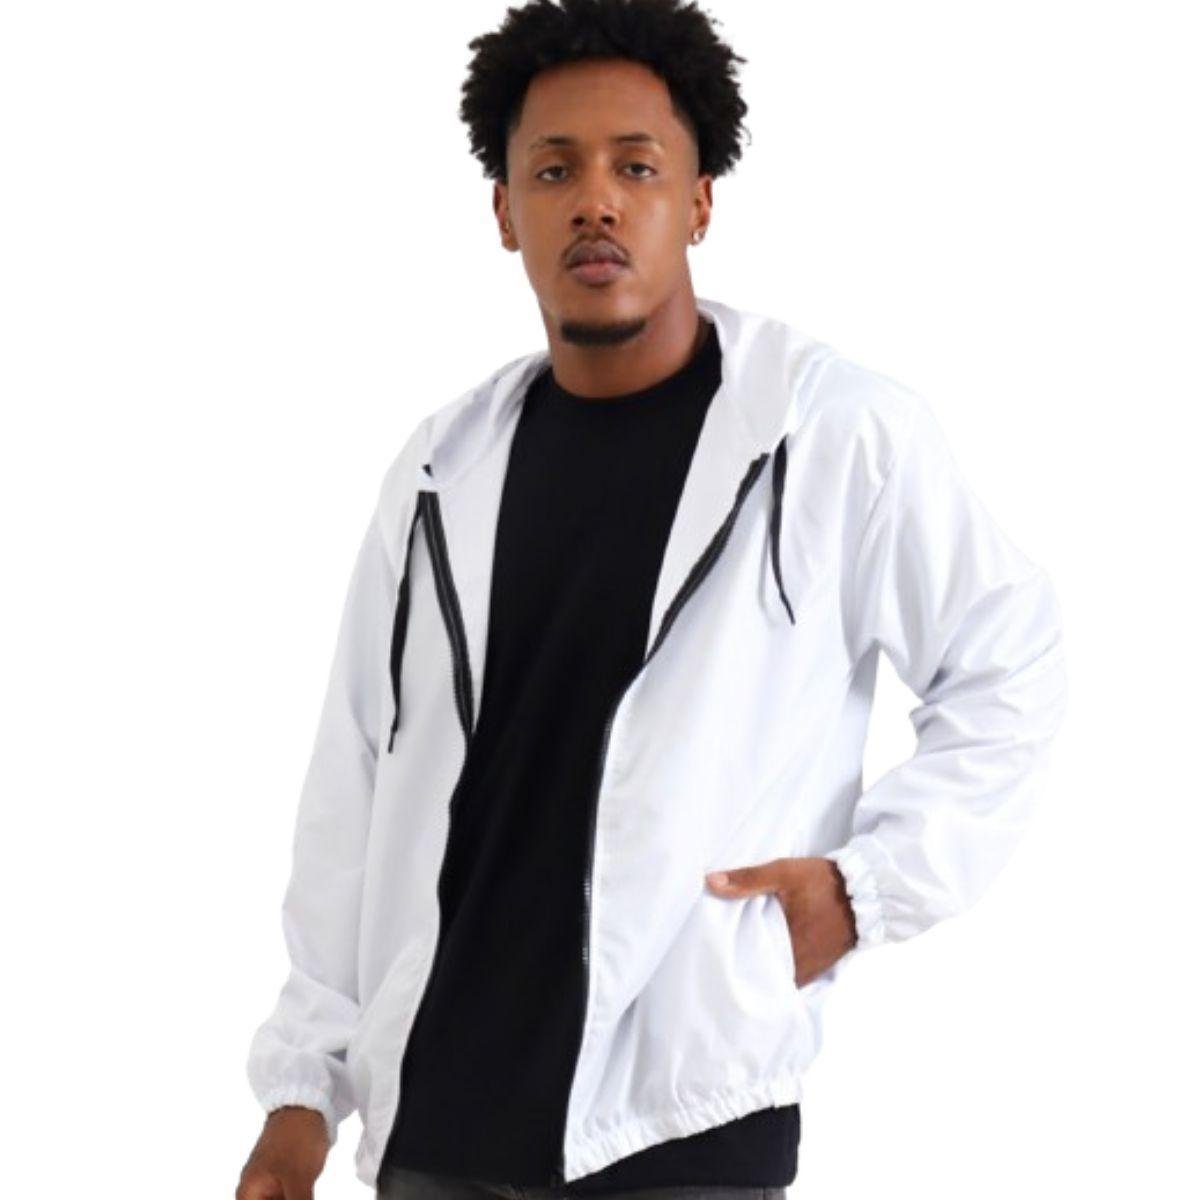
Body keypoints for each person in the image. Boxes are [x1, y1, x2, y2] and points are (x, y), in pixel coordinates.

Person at [236, 2, 1069, 1198]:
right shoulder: (439, 471)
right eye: (554, 170)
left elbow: (1011, 661)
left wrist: (863, 890)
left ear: (699, 202)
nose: (597, 202)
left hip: (683, 1124)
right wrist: (303, 1093)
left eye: (637, 167)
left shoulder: (829, 435)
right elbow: (351, 792)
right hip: (435, 1132)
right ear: (504, 211)